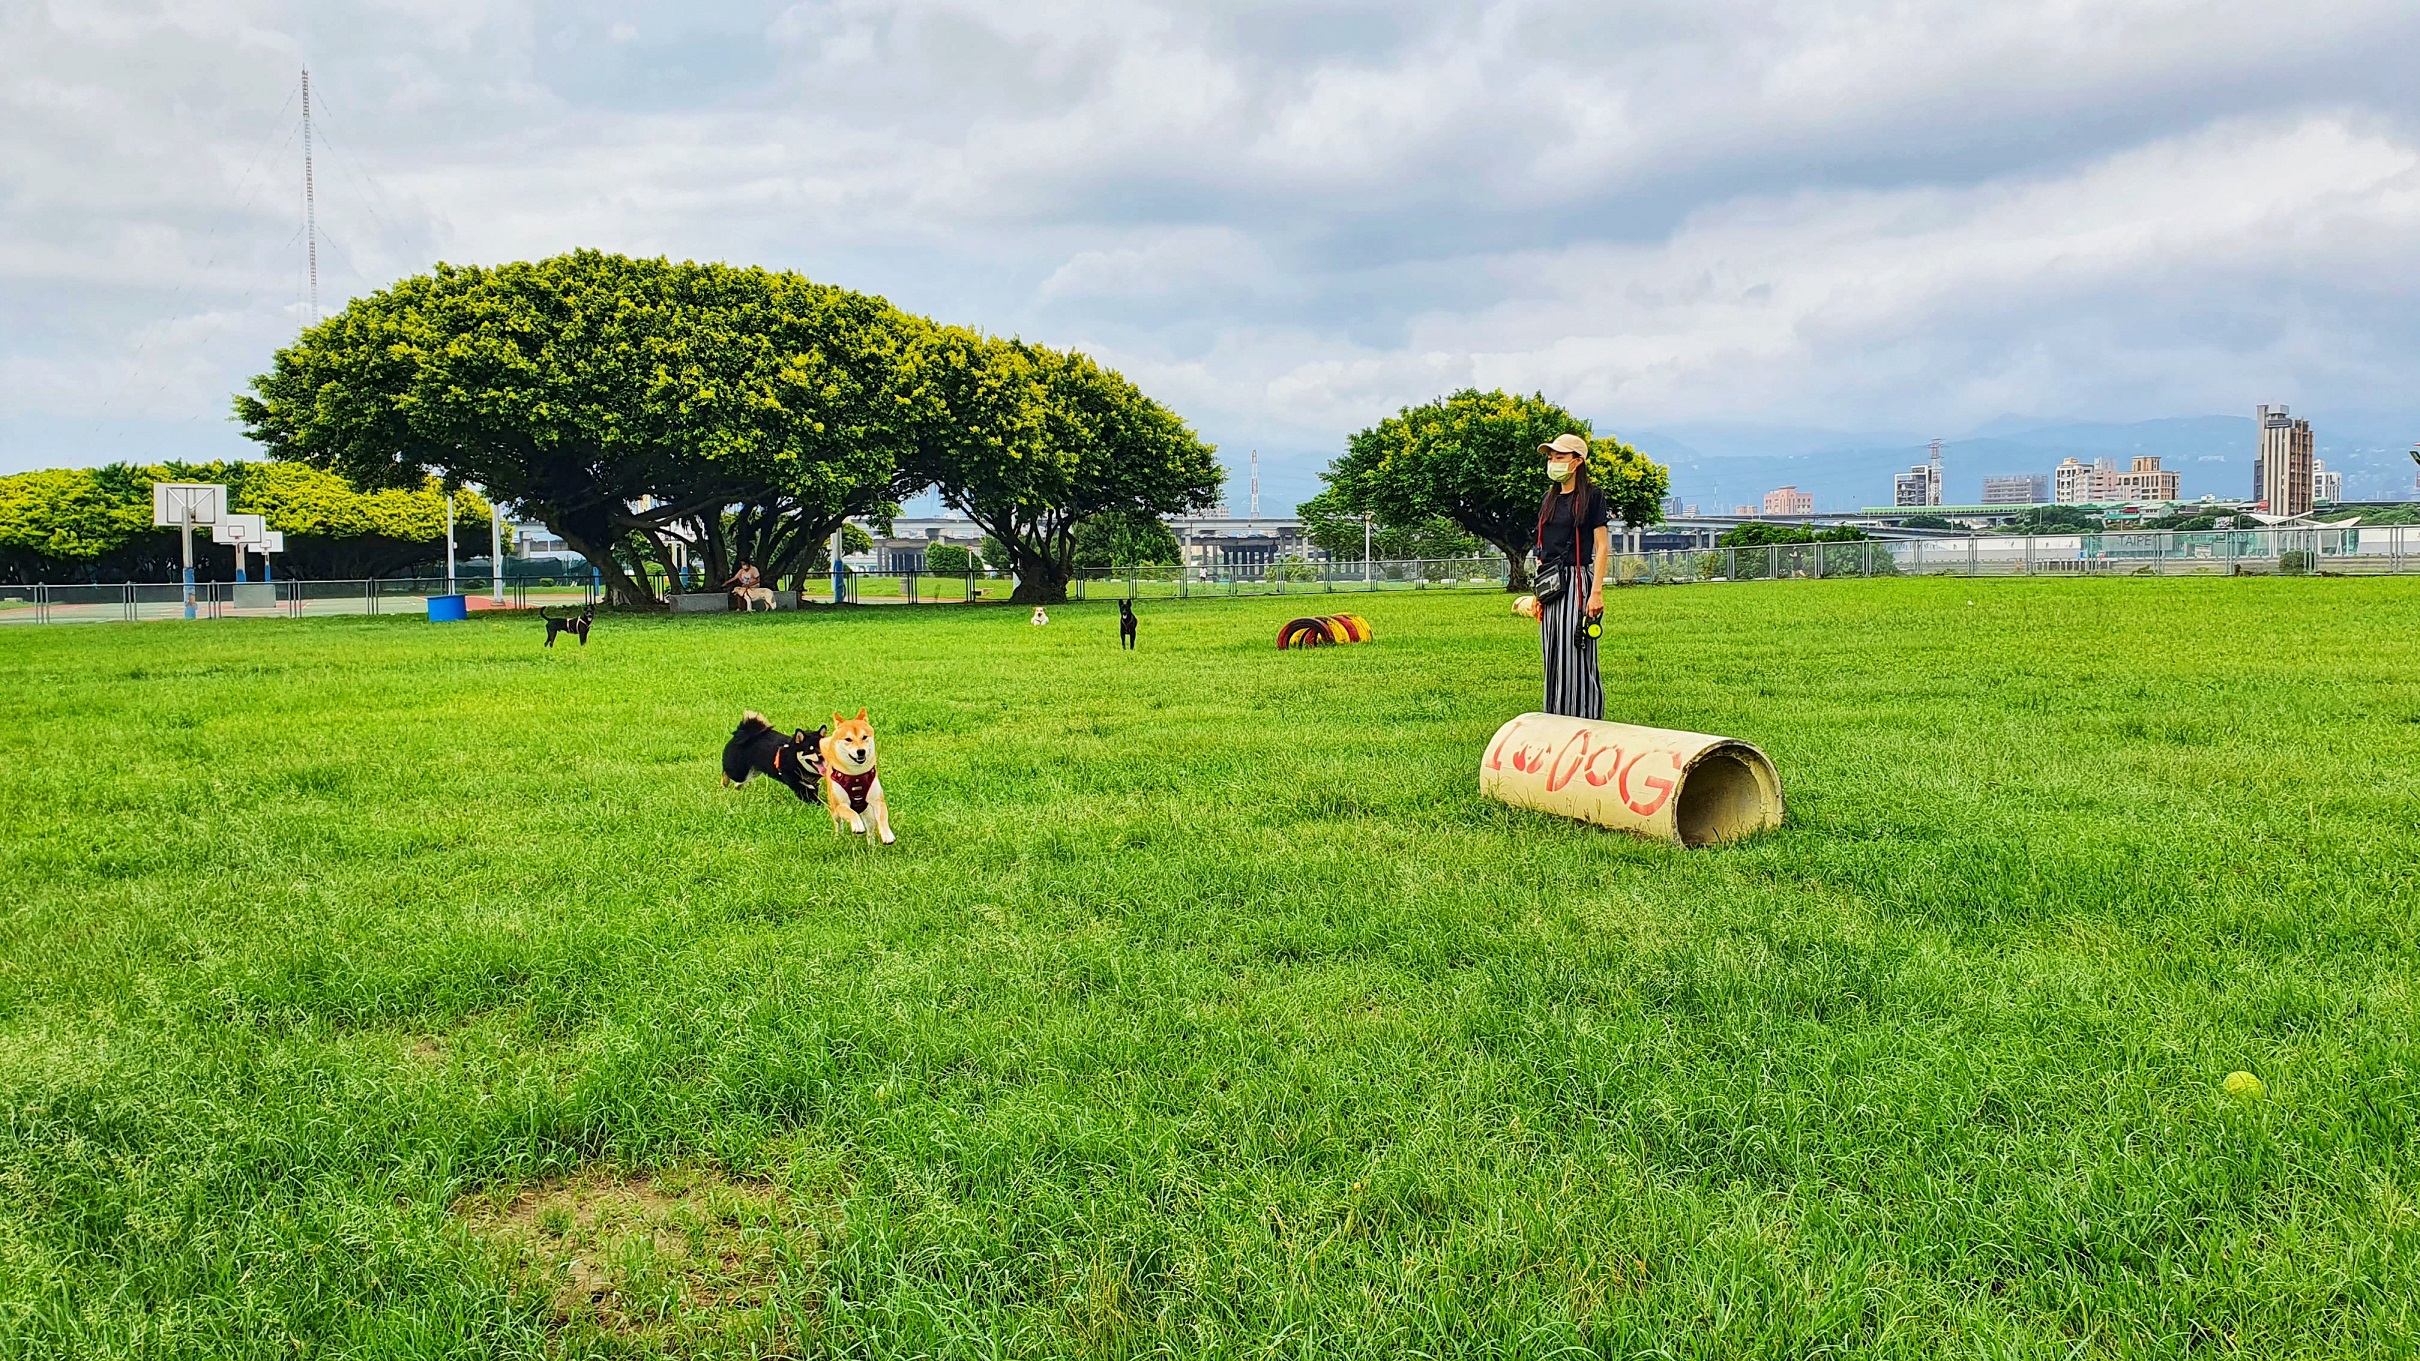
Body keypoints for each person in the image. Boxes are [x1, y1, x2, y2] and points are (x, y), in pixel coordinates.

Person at [1534, 432, 1610, 719]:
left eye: (1560, 457)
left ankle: (1586, 718)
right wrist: (1538, 594)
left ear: (1577, 461)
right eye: (1551, 457)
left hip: (1578, 581)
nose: (1553, 462)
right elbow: (1543, 549)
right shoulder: (1549, 498)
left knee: (1576, 652)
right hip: (1552, 584)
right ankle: (1556, 717)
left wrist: (1597, 591)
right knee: (1553, 652)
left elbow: (1602, 546)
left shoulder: (1592, 497)